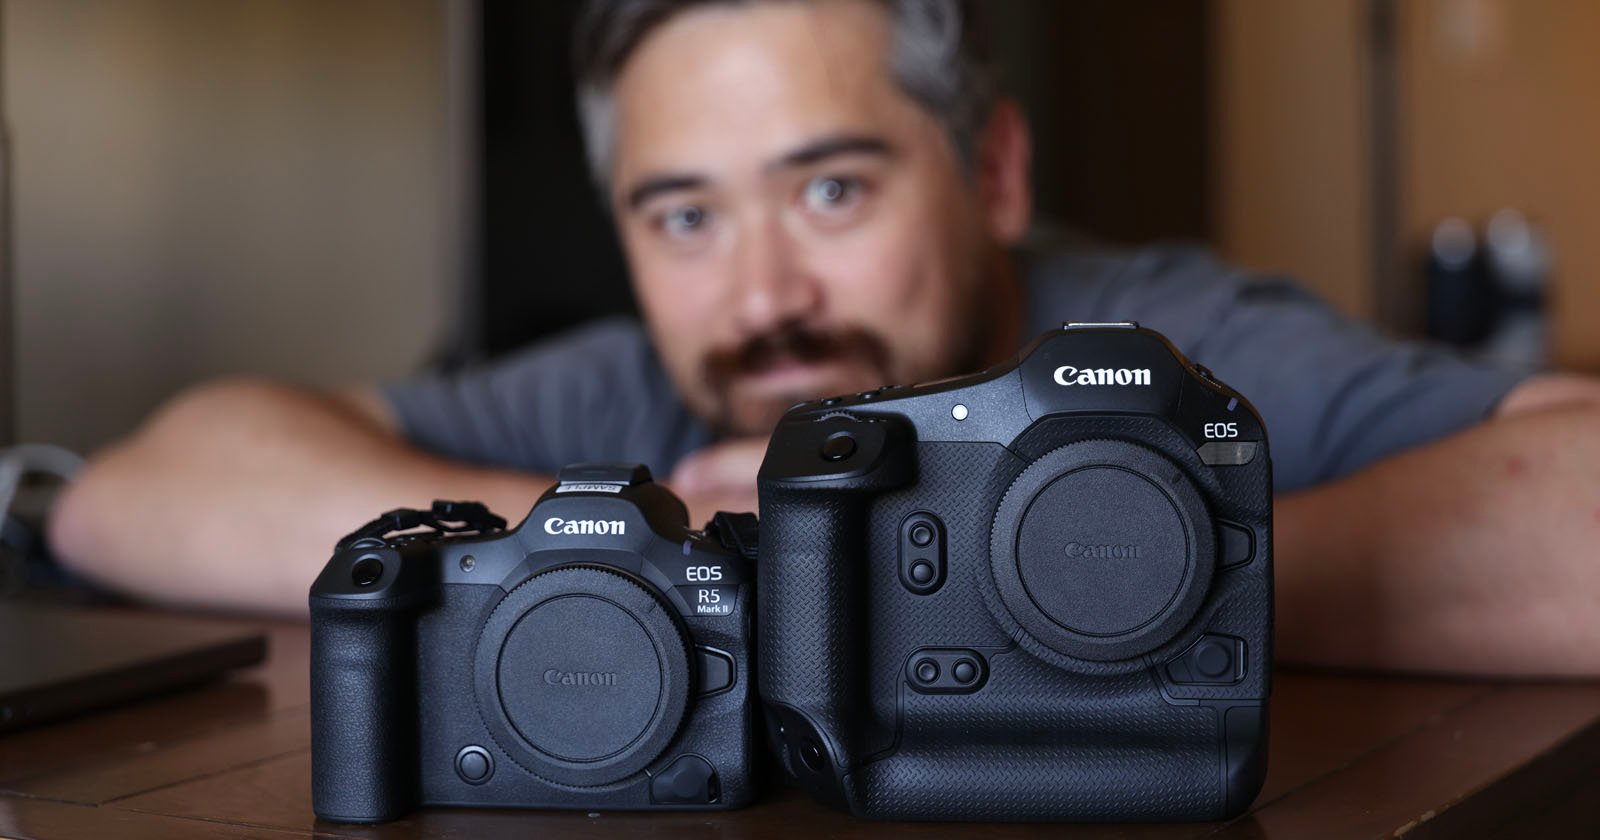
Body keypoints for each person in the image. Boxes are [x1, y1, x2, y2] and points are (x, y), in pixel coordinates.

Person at [46, 0, 1600, 676]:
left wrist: (1045, 567)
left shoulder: (1171, 345)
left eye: (832, 189)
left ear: (994, 172)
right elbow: (149, 484)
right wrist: (651, 547)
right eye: (686, 218)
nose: (763, 292)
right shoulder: (652, 382)